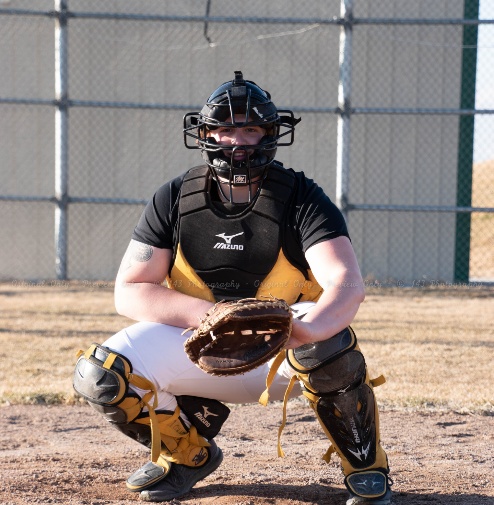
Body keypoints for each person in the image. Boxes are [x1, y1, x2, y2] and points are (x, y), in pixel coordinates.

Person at [73, 71, 392, 504]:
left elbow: (346, 282)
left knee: (328, 343)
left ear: (269, 134)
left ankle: (364, 464)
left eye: (250, 128)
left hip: (284, 352)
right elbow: (129, 289)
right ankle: (188, 453)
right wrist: (210, 320)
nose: (237, 141)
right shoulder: (172, 197)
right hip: (198, 346)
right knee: (101, 374)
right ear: (204, 134)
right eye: (224, 129)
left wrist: (307, 329)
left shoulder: (302, 197)